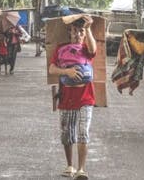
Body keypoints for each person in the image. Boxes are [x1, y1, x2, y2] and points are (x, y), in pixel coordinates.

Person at [48, 16, 96, 180]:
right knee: (66, 134)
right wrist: (66, 72)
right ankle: (70, 165)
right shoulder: (61, 49)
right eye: (75, 31)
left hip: (85, 96)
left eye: (81, 31)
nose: (78, 34)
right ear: (70, 32)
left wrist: (88, 28)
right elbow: (52, 69)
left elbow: (94, 49)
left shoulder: (87, 49)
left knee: (83, 132)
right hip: (66, 96)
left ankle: (81, 169)